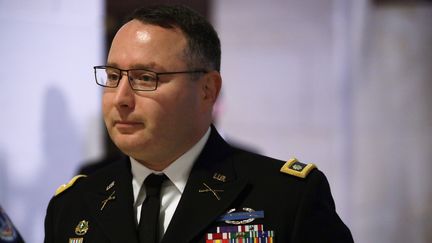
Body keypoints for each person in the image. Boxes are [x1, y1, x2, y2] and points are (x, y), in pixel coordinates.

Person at [44, 4, 354, 243]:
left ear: (207, 90)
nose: (121, 98)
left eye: (146, 78)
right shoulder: (73, 205)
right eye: (113, 77)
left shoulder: (286, 198)